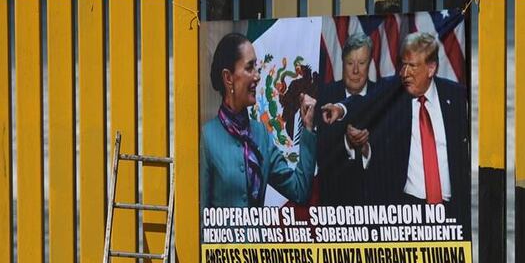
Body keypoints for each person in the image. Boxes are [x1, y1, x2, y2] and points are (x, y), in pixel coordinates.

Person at [321, 32, 470, 207]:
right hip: (408, 208)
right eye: (404, 65)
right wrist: (340, 109)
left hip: (451, 209)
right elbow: (365, 100)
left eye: (412, 66)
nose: (405, 73)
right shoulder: (396, 90)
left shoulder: (457, 96)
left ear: (431, 68)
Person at [201, 32, 317, 208]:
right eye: (249, 68)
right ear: (228, 77)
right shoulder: (206, 137)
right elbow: (200, 218)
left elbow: (299, 190)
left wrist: (307, 128)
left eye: (256, 67)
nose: (257, 76)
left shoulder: (260, 133)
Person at [316, 32, 381, 205]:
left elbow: (392, 158)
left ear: (370, 64)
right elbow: (320, 151)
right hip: (333, 203)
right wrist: (348, 143)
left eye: (361, 63)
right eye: (350, 63)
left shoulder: (382, 96)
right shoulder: (324, 97)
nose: (355, 71)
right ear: (342, 64)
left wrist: (366, 149)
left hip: (375, 205)